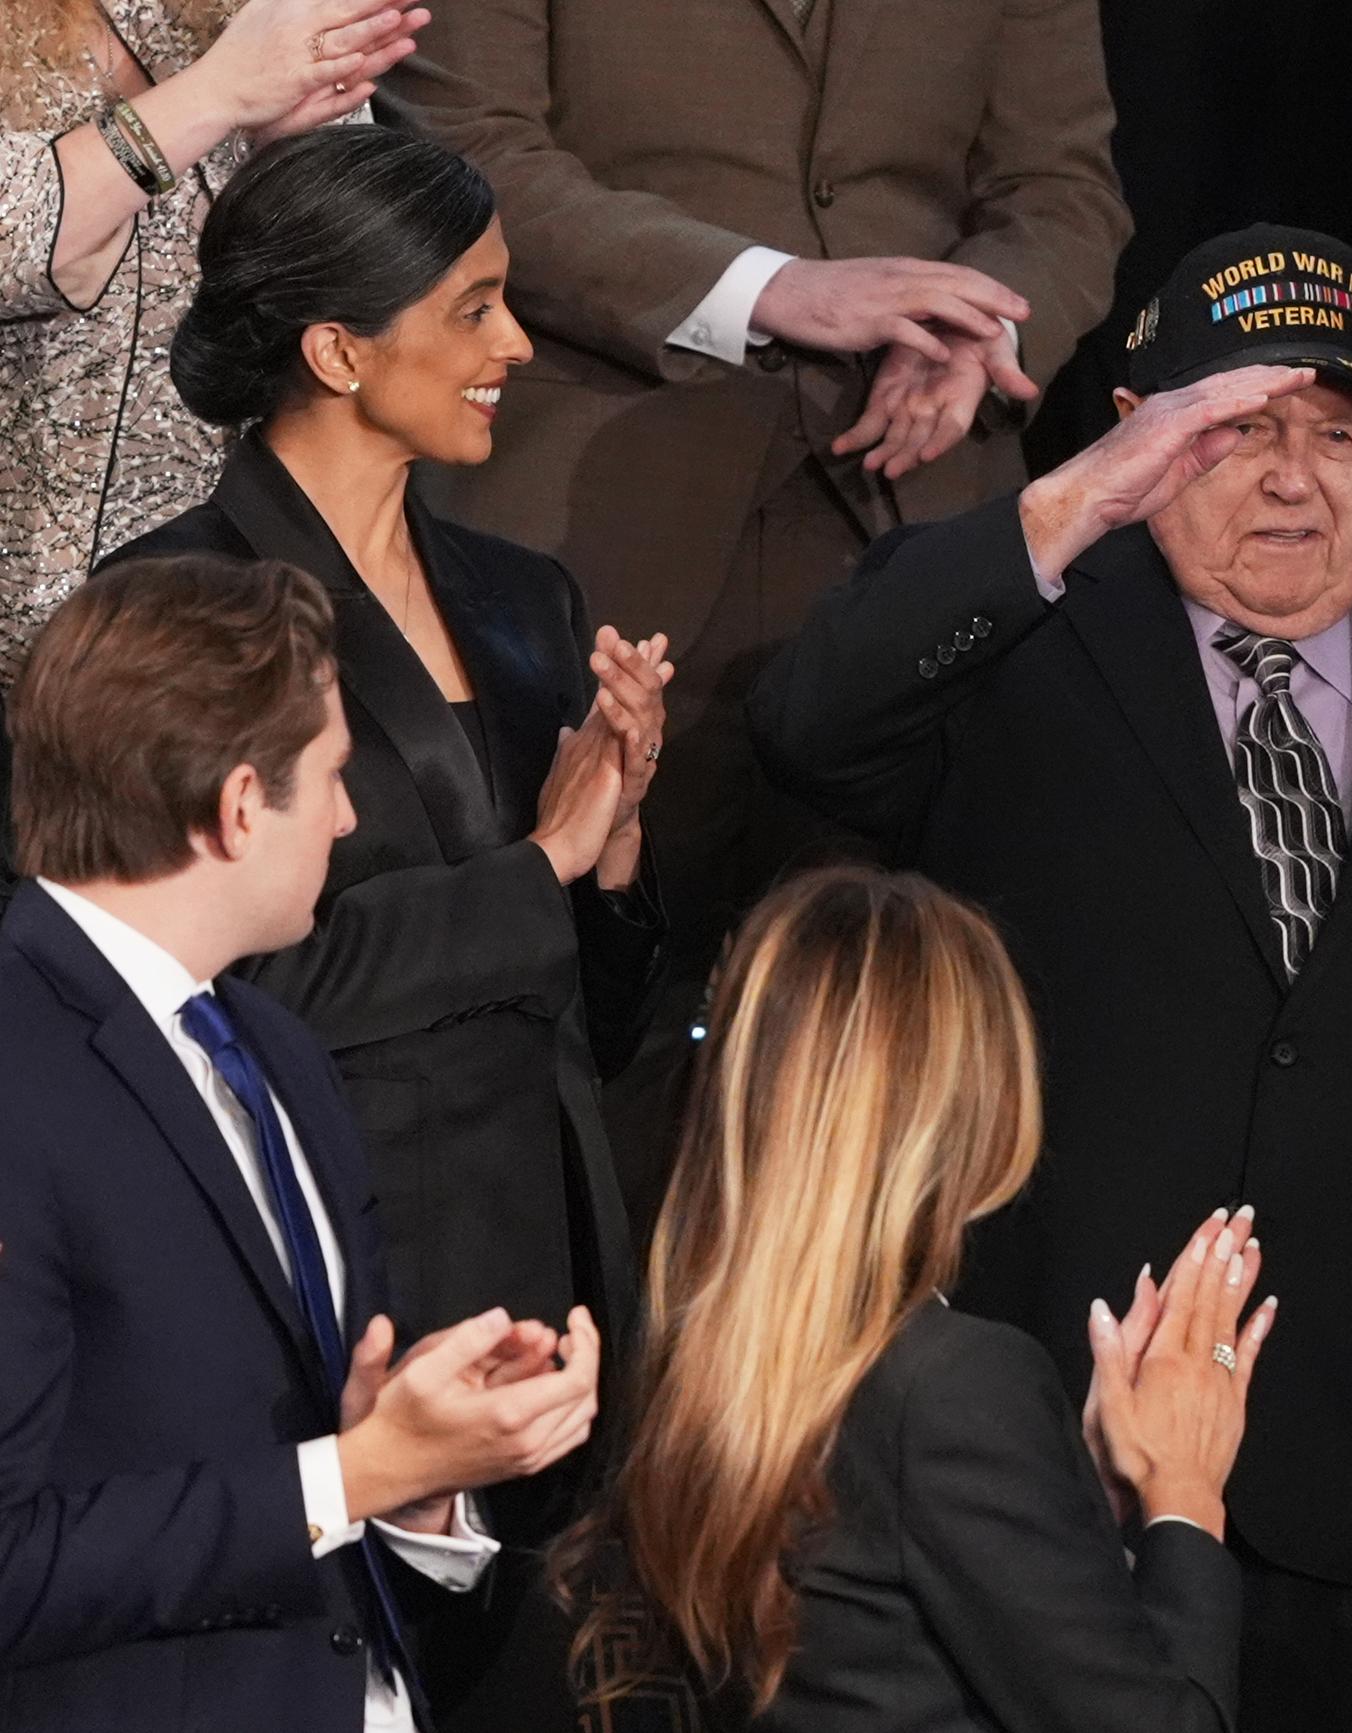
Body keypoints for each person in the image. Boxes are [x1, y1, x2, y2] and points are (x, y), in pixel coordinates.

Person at [749, 224, 1352, 1733]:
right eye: (1234, 434)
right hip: (1059, 1475)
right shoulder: (1019, 650)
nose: (1292, 478)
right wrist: (1073, 511)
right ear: (1142, 439)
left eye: (1335, 436)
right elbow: (806, 724)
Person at [92, 125, 670, 1725]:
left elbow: (591, 1019)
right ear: (342, 348)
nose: (519, 347)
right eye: (475, 309)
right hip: (334, 1331)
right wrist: (536, 870)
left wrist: (612, 854)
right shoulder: (173, 611)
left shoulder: (525, 596)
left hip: (560, 1323)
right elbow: (208, 992)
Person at [381, 0, 1132, 1188]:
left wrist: (974, 326)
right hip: (599, 518)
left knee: (890, 1064)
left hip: (912, 514)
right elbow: (465, 148)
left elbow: (1063, 189)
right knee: (586, 1036)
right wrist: (773, 290)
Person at [0, 551, 602, 1731]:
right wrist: (355, 1472)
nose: (347, 813)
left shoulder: (273, 1047)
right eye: (331, 774)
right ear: (236, 805)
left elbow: (313, 1479)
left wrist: (419, 1471)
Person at [561, 865, 1263, 1731]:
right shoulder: (956, 1384)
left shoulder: (690, 1357)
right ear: (964, 1103)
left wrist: (1077, 1493)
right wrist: (1187, 1494)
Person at [0, 0, 421, 684]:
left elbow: (364, 274)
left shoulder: (236, 11)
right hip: (35, 643)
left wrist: (279, 164)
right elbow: (16, 242)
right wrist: (216, 92)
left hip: (231, 628)